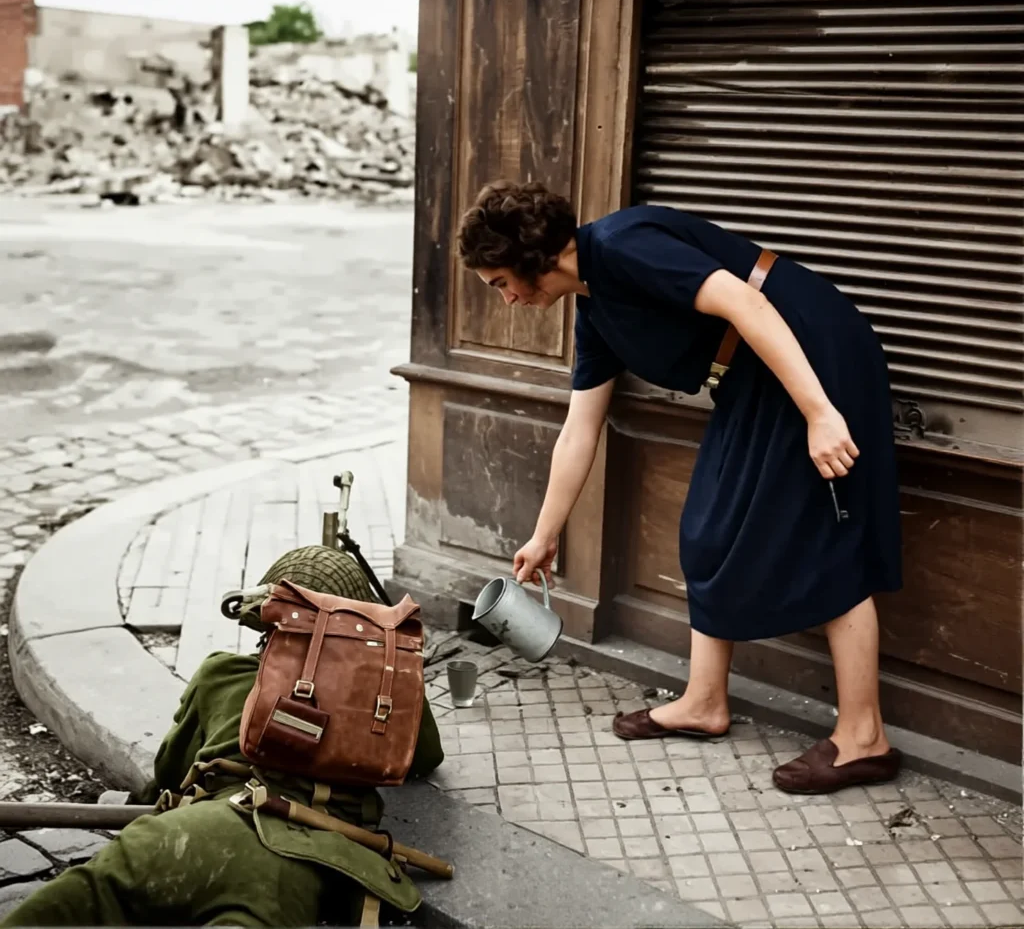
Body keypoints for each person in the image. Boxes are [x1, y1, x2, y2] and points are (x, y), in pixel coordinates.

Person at [456, 180, 903, 796]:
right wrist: (543, 535)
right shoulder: (595, 313)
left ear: (533, 261)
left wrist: (820, 413)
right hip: (753, 374)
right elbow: (579, 431)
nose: (504, 299)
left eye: (500, 282)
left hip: (809, 349)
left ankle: (864, 737)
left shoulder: (622, 243)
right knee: (704, 530)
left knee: (822, 538)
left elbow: (748, 305)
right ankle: (704, 701)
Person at [1, 545, 444, 928]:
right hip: (288, 865)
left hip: (189, 831)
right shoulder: (381, 704)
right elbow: (425, 755)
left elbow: (170, 773)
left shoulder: (222, 673)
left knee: (78, 899)